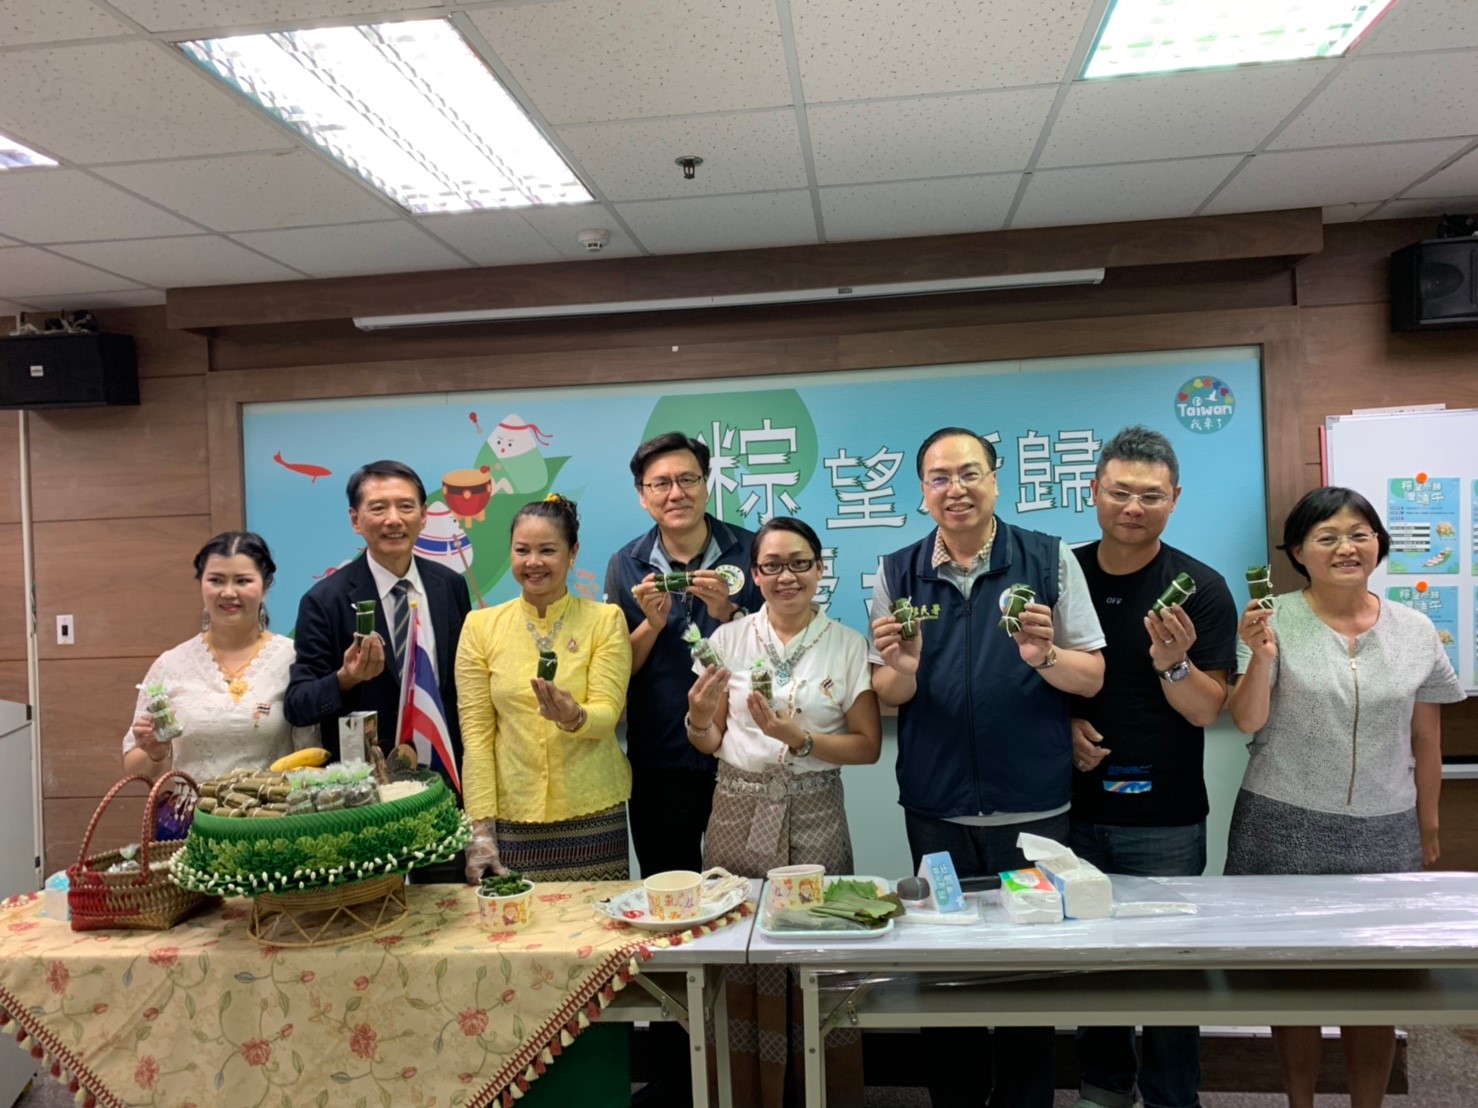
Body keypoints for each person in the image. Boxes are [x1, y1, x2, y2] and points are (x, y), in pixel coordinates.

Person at [870, 426, 1106, 1108]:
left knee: (1028, 979)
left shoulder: (1049, 559)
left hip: (1033, 806)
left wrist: (1044, 660)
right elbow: (888, 693)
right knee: (948, 973)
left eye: (969, 473)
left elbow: (1091, 676)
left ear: (997, 479)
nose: (956, 489)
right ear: (923, 494)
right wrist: (906, 670)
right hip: (937, 809)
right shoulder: (897, 570)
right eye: (940, 478)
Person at [1226, 486, 1463, 1108]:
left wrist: (1429, 824)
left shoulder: (1415, 630)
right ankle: (1298, 1101)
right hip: (1282, 822)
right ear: (1299, 551)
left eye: (1359, 533)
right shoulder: (1268, 618)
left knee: (1378, 991)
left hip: (1386, 825)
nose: (1346, 547)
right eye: (1326, 537)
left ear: (1379, 544)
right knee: (1291, 986)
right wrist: (1260, 657)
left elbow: (1426, 738)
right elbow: (1246, 721)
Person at [1067, 426, 1238, 1108]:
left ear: (1175, 499)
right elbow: (1030, 676)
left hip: (1165, 815)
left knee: (1169, 972)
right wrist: (1062, 728)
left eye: (1151, 495)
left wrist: (1173, 662)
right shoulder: (1062, 574)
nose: (1133, 506)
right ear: (1094, 492)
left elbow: (1207, 710)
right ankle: (1105, 1090)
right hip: (1071, 807)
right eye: (1120, 492)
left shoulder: (1200, 587)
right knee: (1092, 968)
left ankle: (1173, 1096)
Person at [686, 515, 881, 1108]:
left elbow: (867, 747)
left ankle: (821, 1094)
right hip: (736, 813)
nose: (786, 576)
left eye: (799, 563)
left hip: (817, 814)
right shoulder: (727, 641)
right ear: (754, 575)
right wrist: (697, 717)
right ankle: (743, 1092)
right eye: (771, 566)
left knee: (819, 953)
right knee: (736, 952)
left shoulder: (847, 644)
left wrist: (800, 739)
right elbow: (707, 738)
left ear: (821, 569)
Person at [285, 460, 472, 881]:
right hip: (364, 797)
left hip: (441, 787)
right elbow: (298, 705)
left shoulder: (449, 586)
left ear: (424, 516)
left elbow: (463, 688)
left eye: (406, 507)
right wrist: (346, 678)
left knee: (445, 912)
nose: (393, 520)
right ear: (355, 519)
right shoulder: (325, 600)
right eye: (378, 508)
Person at [605, 431, 764, 879]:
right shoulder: (626, 563)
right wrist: (651, 626)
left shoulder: (753, 550)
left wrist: (728, 613)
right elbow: (619, 669)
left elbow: (779, 649)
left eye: (688, 479)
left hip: (740, 753)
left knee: (743, 889)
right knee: (670, 890)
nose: (676, 493)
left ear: (707, 483)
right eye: (661, 483)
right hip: (660, 758)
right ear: (643, 496)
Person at [458, 494, 634, 883]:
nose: (533, 562)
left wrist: (575, 716)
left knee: (600, 936)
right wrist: (480, 829)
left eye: (547, 550)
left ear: (573, 553)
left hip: (593, 812)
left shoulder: (604, 620)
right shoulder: (480, 627)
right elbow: (477, 736)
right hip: (512, 816)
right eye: (522, 550)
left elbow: (607, 711)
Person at [124, 531, 316, 781]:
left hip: (272, 815)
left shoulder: (294, 659)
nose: (228, 592)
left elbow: (313, 755)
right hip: (194, 817)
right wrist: (155, 752)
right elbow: (135, 769)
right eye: (216, 580)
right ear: (201, 584)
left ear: (266, 587)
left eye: (242, 581)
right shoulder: (169, 665)